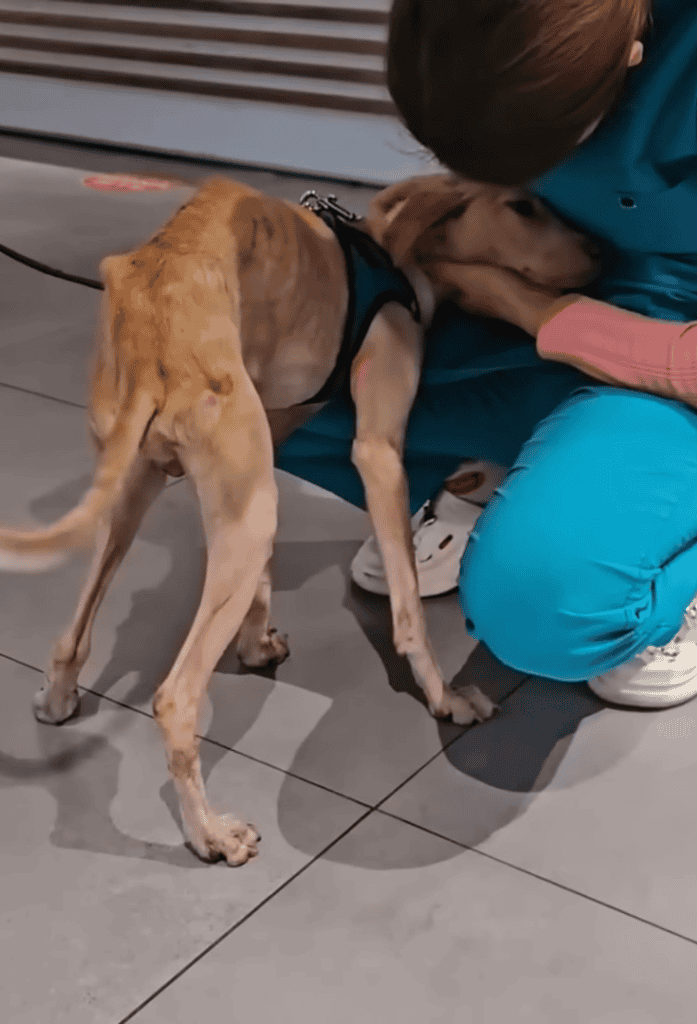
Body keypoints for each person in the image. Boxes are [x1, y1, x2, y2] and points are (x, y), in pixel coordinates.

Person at [275, 0, 697, 709]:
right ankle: (490, 479)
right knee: (266, 377)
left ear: (629, 56)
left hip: (664, 352)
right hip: (562, 310)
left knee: (547, 612)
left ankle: (656, 554)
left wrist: (526, 307)